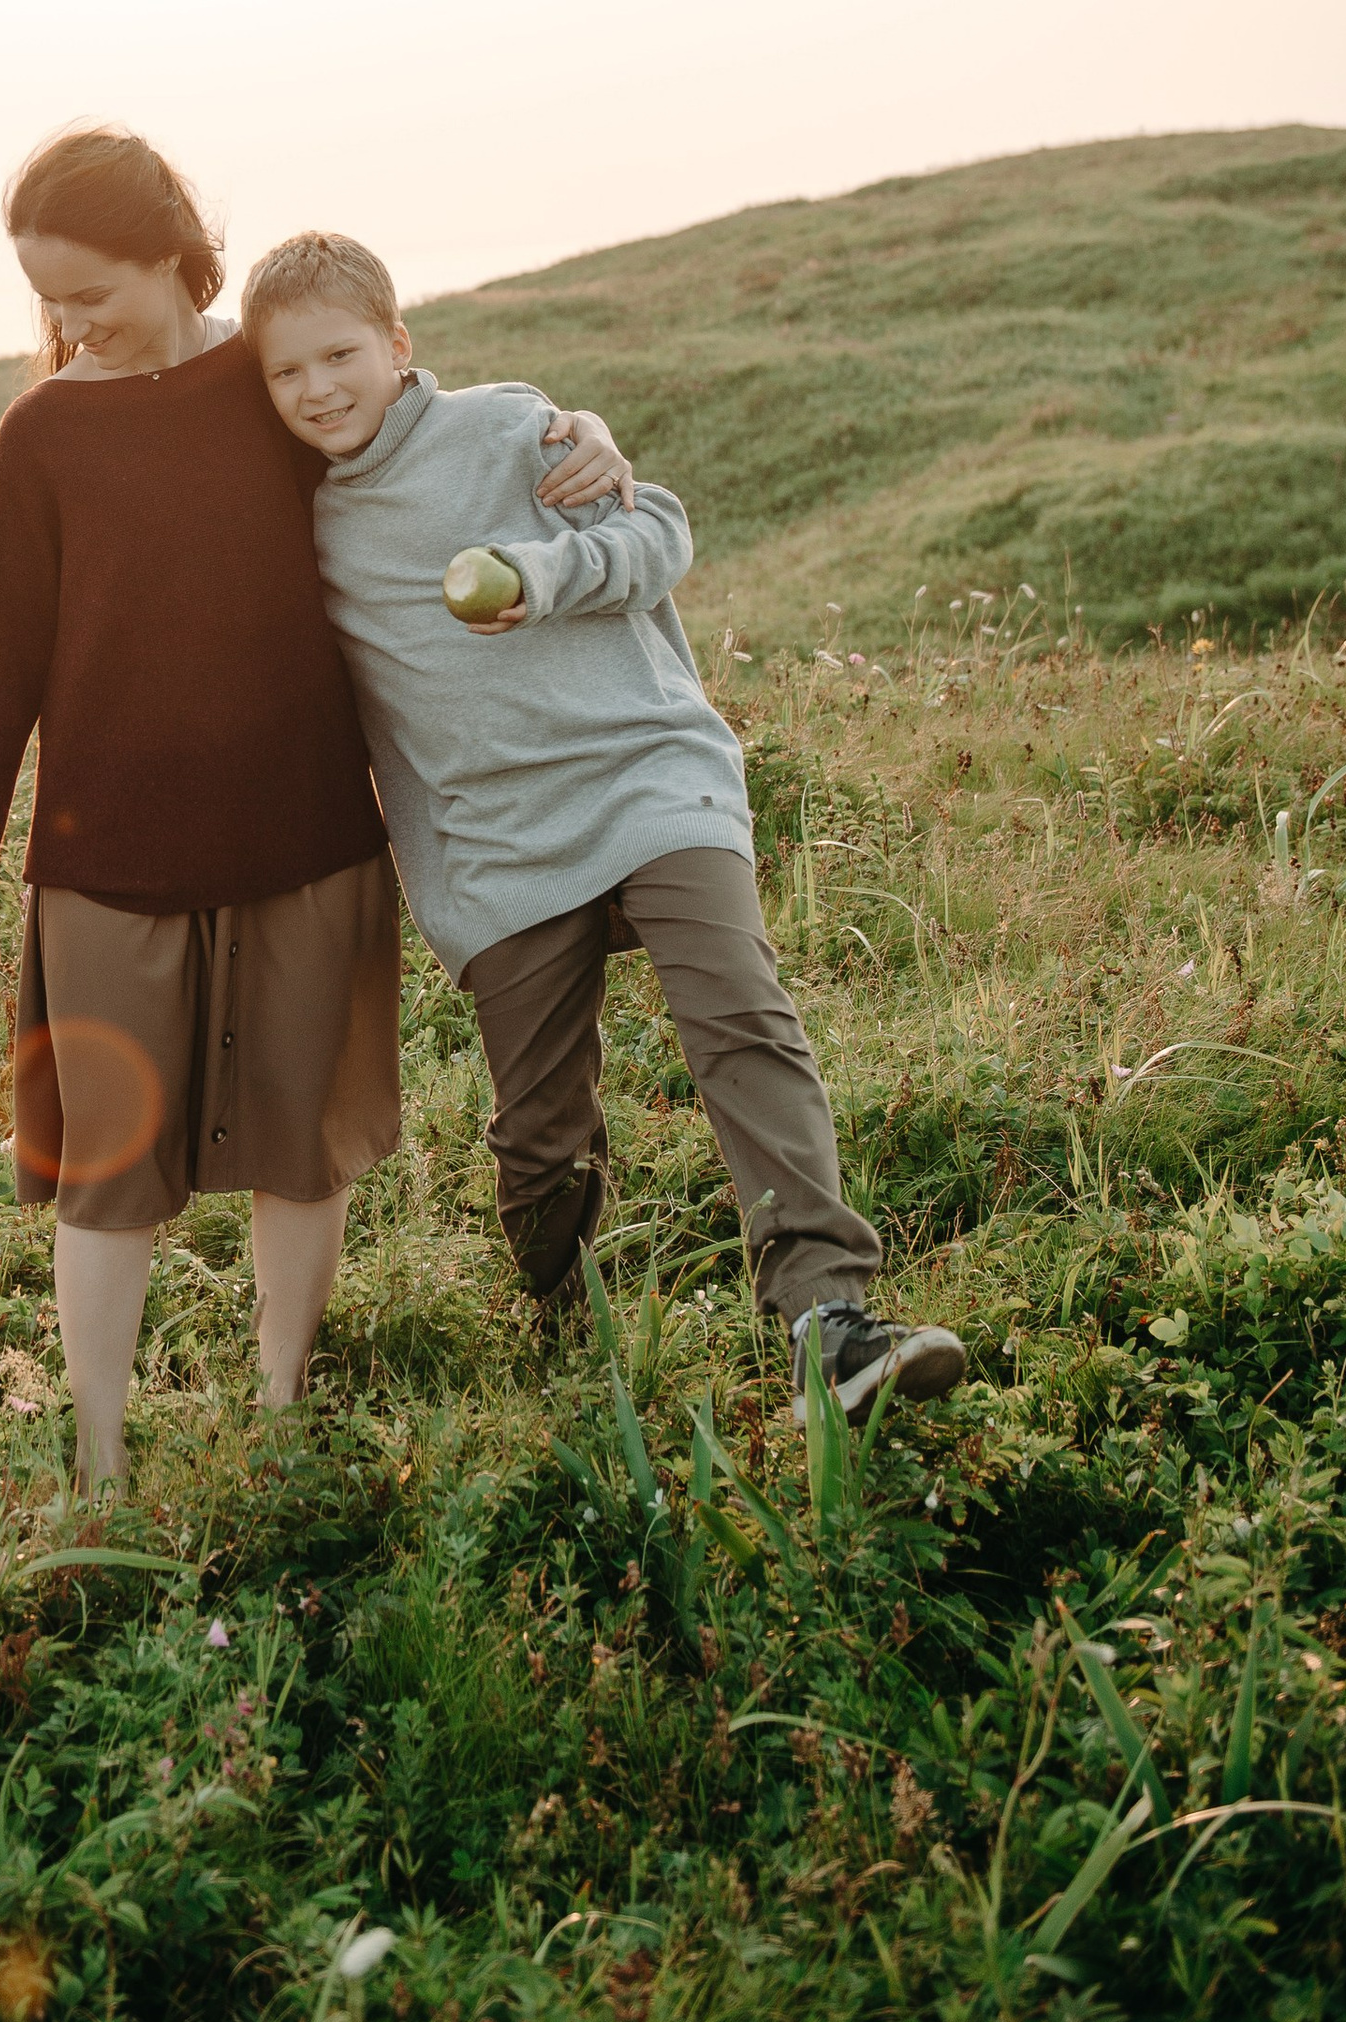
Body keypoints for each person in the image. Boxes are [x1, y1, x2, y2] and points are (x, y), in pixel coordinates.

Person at [0, 126, 630, 1487]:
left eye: (91, 289)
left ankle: (282, 1402)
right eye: (48, 300)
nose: (70, 323)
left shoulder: (273, 384)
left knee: (307, 1147)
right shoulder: (45, 431)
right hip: (107, 862)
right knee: (108, 1170)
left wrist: (577, 434)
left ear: (172, 249)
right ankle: (102, 1454)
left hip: (309, 839)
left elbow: (430, 439)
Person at [242, 228, 967, 1427]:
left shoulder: (509, 426)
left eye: (341, 354)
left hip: (644, 773)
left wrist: (542, 577)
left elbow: (658, 532)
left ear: (397, 343)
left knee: (740, 1015)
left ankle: (824, 1320)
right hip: (496, 848)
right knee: (540, 1134)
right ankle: (559, 1310)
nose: (319, 388)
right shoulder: (299, 523)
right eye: (286, 372)